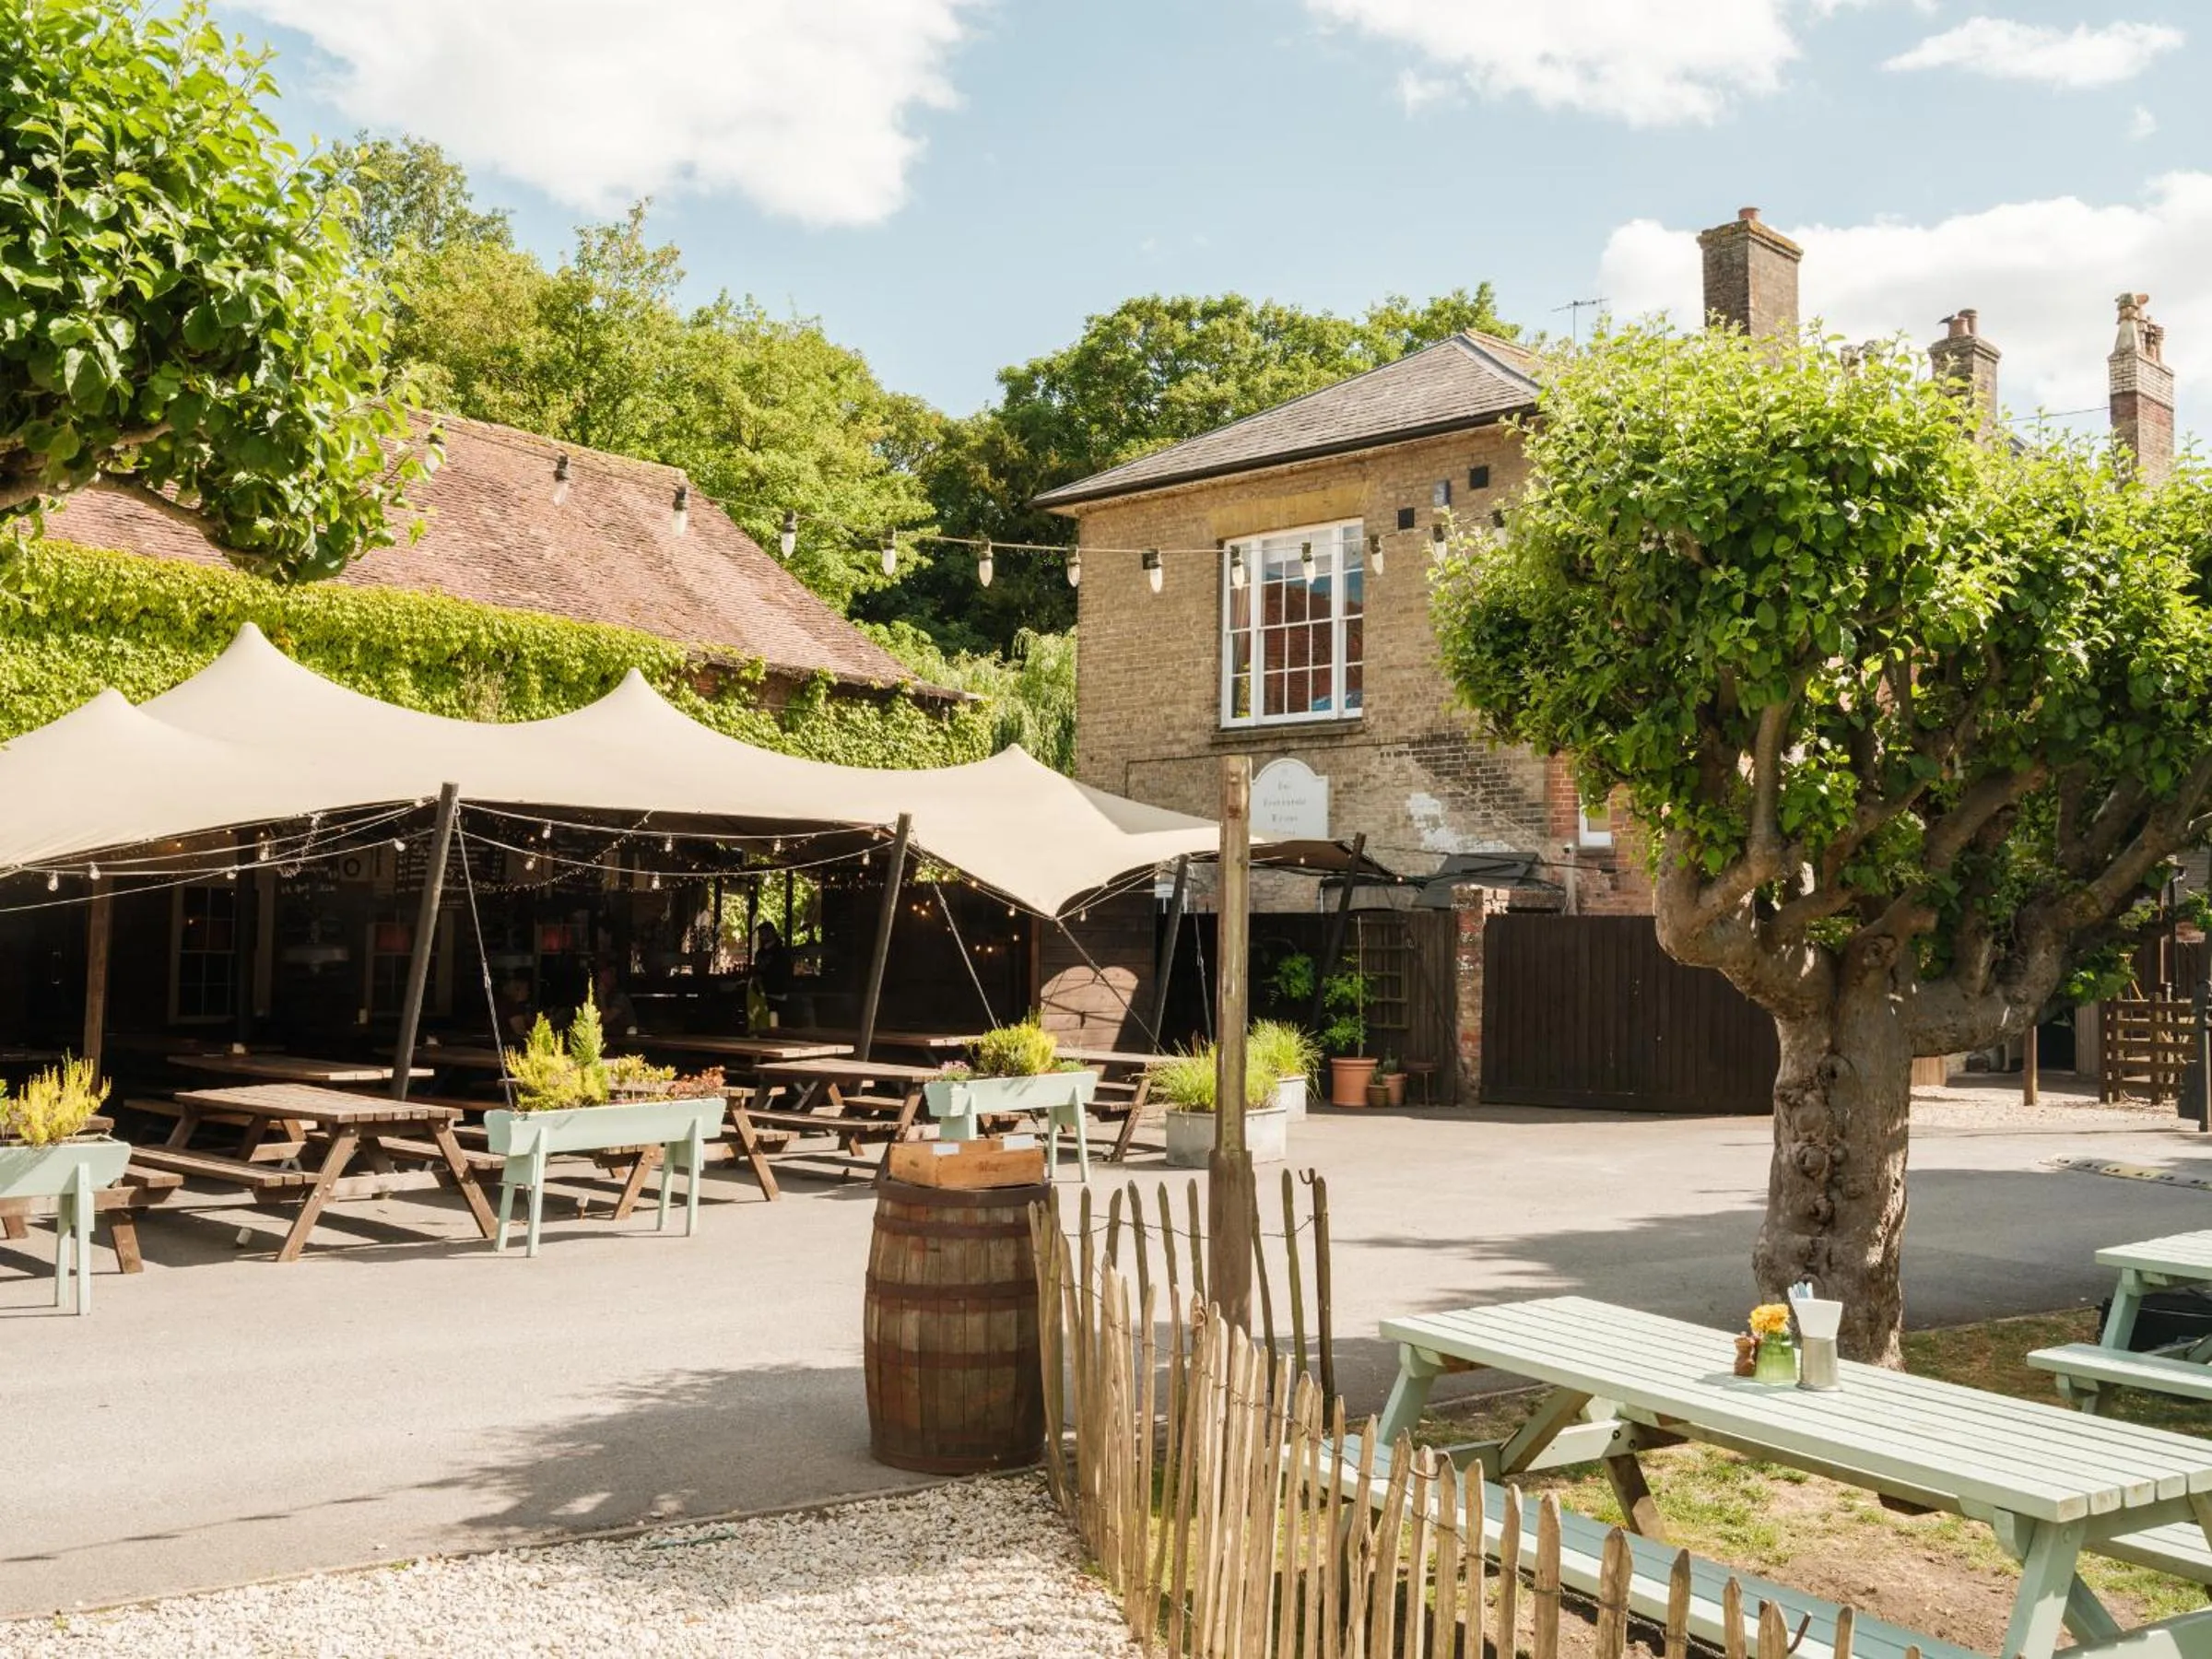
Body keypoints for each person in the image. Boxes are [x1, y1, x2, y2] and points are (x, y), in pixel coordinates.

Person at [750, 921, 793, 1030]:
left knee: (773, 1021)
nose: (761, 936)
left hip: (776, 993)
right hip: (762, 993)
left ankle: (773, 1035)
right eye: (760, 934)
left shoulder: (781, 952)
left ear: (771, 933)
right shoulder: (760, 952)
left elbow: (783, 972)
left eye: (763, 933)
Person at [593, 961, 641, 1037]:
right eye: (601, 979)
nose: (602, 983)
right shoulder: (596, 997)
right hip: (606, 1039)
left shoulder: (620, 998)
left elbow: (606, 1019)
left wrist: (601, 996)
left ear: (613, 979)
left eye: (606, 979)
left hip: (624, 1040)